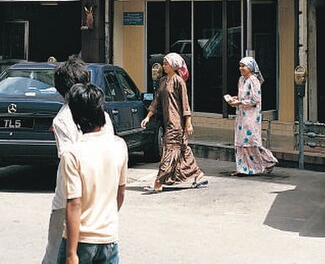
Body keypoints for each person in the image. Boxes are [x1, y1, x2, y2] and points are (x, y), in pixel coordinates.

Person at [42, 59, 114, 264]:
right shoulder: (102, 116)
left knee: (58, 253)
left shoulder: (62, 119)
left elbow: (69, 164)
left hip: (70, 197)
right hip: (99, 195)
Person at [56, 83, 128, 264]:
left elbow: (74, 204)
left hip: (81, 240)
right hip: (109, 239)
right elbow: (120, 194)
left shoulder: (72, 154)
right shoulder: (119, 145)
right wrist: (103, 219)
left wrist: (71, 254)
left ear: (75, 116)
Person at [141, 52, 207, 192]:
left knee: (170, 151)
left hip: (177, 123)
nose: (164, 66)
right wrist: (148, 117)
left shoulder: (179, 81)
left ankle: (159, 182)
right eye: (164, 64)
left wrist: (188, 122)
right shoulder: (163, 81)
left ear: (174, 65)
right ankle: (198, 174)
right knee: (183, 151)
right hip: (167, 121)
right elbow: (156, 101)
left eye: (166, 64)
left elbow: (185, 104)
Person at [227, 56, 277, 176]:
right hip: (241, 115)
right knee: (240, 142)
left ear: (250, 67)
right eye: (240, 66)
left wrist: (240, 102)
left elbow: (255, 99)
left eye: (243, 66)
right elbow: (243, 96)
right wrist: (236, 99)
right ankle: (243, 168)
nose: (241, 68)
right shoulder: (241, 80)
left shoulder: (254, 80)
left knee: (251, 141)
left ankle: (269, 160)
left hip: (251, 115)